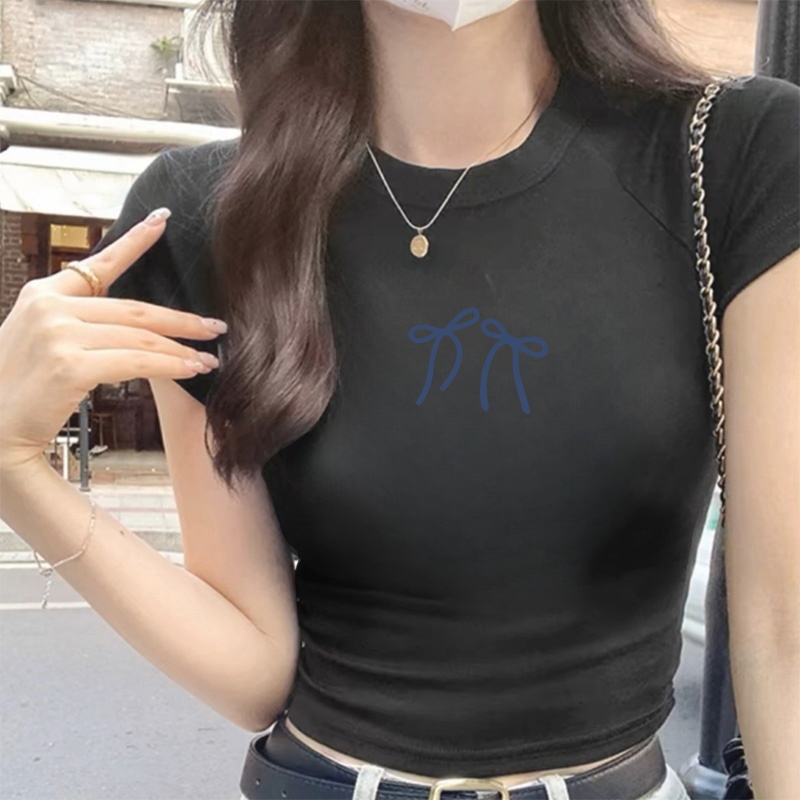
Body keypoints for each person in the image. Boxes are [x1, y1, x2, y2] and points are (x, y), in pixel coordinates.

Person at [0, 1, 797, 799]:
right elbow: (254, 671)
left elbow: (782, 629)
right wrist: (12, 466)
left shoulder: (731, 154)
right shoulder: (207, 214)